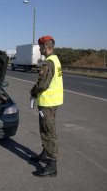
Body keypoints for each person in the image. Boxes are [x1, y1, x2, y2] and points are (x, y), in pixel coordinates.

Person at [30, 35, 63, 177]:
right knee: (46, 129)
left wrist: (33, 90)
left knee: (48, 132)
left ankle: (52, 165)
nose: (39, 48)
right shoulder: (55, 60)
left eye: (40, 46)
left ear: (45, 47)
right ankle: (45, 153)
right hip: (52, 102)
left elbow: (43, 85)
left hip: (48, 103)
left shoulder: (48, 63)